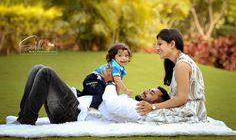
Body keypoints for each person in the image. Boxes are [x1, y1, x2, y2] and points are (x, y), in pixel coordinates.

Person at [13, 64, 169, 125]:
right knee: (38, 69)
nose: (148, 90)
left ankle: (26, 120)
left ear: (158, 101)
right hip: (75, 103)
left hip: (72, 112)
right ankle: (24, 116)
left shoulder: (140, 108)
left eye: (152, 92)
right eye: (150, 89)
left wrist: (109, 82)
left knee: (46, 73)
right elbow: (110, 100)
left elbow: (113, 106)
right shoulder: (133, 103)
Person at [136, 28, 207, 124]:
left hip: (190, 111)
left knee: (146, 116)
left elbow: (182, 99)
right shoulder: (177, 63)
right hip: (185, 108)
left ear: (172, 44)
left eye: (160, 44)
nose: (157, 48)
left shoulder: (182, 64)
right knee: (143, 113)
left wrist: (153, 107)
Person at [80, 43, 133, 114]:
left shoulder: (120, 69)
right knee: (101, 93)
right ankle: (93, 107)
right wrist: (125, 90)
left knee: (97, 91)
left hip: (99, 82)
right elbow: (117, 80)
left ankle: (79, 95)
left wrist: (115, 97)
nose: (124, 58)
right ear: (113, 57)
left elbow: (117, 84)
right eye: (120, 56)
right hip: (93, 79)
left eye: (126, 56)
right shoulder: (115, 66)